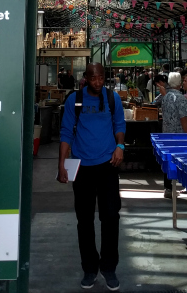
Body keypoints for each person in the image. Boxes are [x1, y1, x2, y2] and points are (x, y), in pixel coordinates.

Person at [59, 63, 126, 291]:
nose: (98, 82)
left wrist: (120, 146)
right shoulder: (74, 101)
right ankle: (89, 268)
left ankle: (109, 268)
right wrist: (61, 164)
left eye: (101, 78)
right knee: (84, 220)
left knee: (110, 217)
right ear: (85, 78)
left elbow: (119, 123)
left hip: (108, 165)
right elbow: (66, 131)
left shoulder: (111, 97)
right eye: (93, 78)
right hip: (82, 168)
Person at [157, 71, 187, 198]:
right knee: (182, 160)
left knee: (168, 159)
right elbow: (183, 119)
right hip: (179, 135)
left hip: (167, 133)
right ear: (180, 83)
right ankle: (185, 185)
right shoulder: (180, 98)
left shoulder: (166, 97)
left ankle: (168, 188)